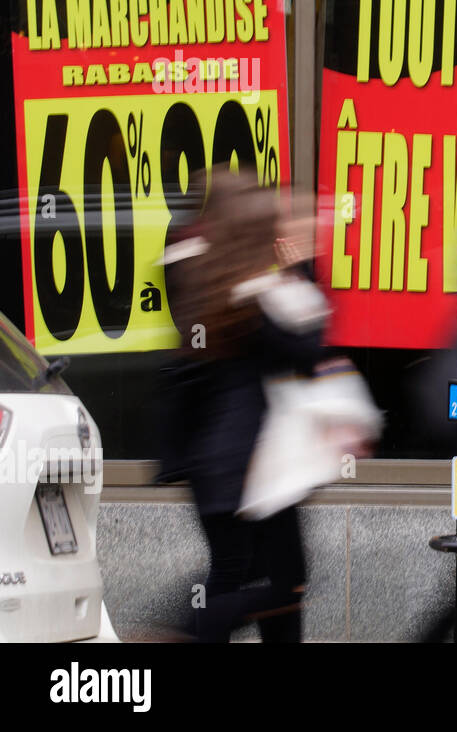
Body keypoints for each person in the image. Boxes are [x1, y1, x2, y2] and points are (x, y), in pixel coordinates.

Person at [165, 168, 329, 642]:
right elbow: (306, 352)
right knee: (277, 582)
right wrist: (297, 268)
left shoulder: (219, 281)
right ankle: (179, 634)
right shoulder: (251, 296)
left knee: (257, 574)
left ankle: (186, 631)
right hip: (249, 466)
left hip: (229, 464)